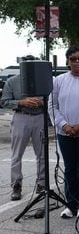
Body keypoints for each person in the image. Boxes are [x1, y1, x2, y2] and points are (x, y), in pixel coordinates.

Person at [48, 46, 79, 218]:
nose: (77, 61)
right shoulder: (59, 80)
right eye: (73, 59)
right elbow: (52, 106)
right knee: (70, 168)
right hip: (65, 133)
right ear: (67, 62)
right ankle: (70, 205)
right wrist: (64, 125)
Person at [0, 55, 46, 201]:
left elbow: (51, 98)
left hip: (40, 117)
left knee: (42, 153)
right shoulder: (12, 81)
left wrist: (42, 102)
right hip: (21, 117)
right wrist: (21, 102)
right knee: (16, 154)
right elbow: (4, 101)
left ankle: (42, 183)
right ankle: (16, 185)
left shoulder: (42, 80)